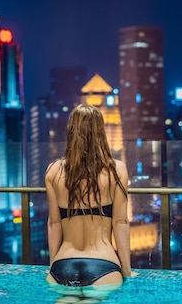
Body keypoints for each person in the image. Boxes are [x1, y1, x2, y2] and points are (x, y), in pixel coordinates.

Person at [45, 104, 131, 302]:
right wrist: (126, 271)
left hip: (63, 265)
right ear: (101, 132)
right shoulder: (117, 170)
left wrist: (53, 266)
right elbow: (120, 223)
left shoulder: (53, 171)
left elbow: (54, 224)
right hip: (104, 265)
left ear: (71, 131)